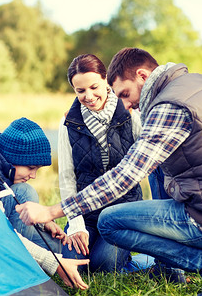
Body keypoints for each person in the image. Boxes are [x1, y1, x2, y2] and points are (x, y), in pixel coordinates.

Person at [16, 48, 202, 296]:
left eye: (125, 93)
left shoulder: (167, 106)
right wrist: (76, 223)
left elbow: (126, 176)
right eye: (80, 90)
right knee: (85, 258)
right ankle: (170, 266)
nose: (126, 105)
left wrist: (50, 211)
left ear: (143, 76)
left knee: (109, 230)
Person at [0, 117, 89, 290]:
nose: (34, 176)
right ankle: (17, 271)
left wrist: (44, 221)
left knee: (70, 254)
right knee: (26, 192)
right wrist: (54, 264)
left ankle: (50, 261)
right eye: (31, 168)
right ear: (12, 158)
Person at [58, 54, 143, 273]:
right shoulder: (68, 122)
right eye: (80, 91)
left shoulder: (131, 114)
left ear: (106, 80)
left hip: (122, 213)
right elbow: (67, 178)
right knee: (75, 263)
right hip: (86, 214)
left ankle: (123, 257)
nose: (88, 96)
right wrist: (76, 226)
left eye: (94, 87)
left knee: (104, 264)